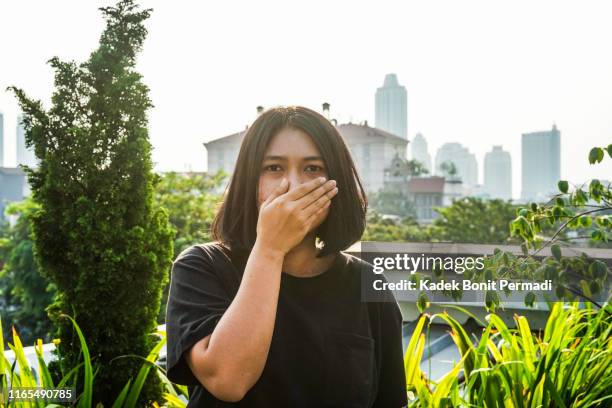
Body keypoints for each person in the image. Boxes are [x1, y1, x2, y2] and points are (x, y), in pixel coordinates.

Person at [165, 106, 407, 407]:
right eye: (274, 168)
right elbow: (228, 380)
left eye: (313, 169)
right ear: (250, 180)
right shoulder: (203, 267)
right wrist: (270, 250)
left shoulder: (367, 283)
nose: (292, 184)